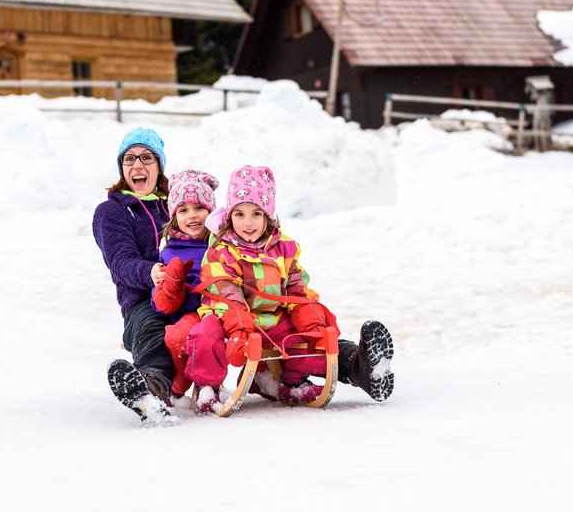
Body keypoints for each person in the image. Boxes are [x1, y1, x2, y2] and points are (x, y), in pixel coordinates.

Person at [184, 165, 395, 414]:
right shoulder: (221, 251)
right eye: (239, 214)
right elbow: (226, 295)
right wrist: (240, 329)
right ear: (230, 216)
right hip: (229, 317)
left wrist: (312, 321)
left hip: (272, 316)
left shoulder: (284, 248)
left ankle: (292, 382)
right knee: (205, 337)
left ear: (268, 216)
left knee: (313, 333)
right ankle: (207, 389)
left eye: (256, 214)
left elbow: (295, 289)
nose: (247, 223)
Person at [92, 126, 176, 420]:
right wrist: (151, 272)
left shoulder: (177, 206)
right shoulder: (112, 211)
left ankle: (287, 372)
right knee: (155, 334)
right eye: (129, 159)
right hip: (144, 301)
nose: (137, 165)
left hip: (190, 295)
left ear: (159, 165)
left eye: (146, 158)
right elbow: (120, 263)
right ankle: (149, 389)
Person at [150, 169, 219, 402]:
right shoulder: (169, 252)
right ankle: (181, 381)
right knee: (177, 337)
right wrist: (170, 284)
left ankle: (265, 375)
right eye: (183, 210)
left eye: (199, 207)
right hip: (191, 311)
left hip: (225, 308)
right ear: (173, 217)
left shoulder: (223, 244)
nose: (192, 216)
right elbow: (160, 304)